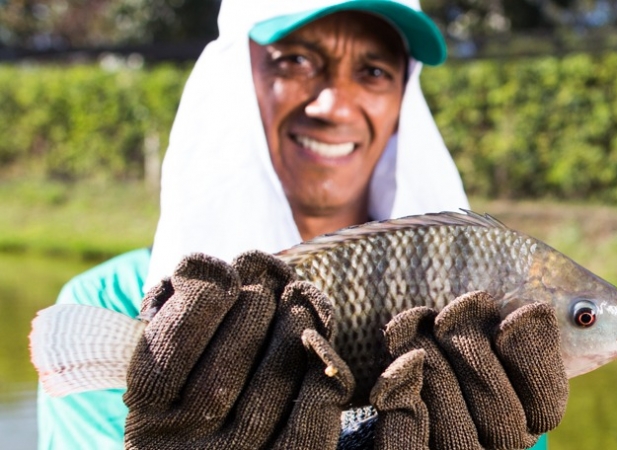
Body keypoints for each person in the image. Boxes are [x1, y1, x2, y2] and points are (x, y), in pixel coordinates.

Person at [37, 1, 566, 449]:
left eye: (375, 71)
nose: (334, 105)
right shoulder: (111, 301)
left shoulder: (489, 350)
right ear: (236, 80)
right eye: (294, 61)